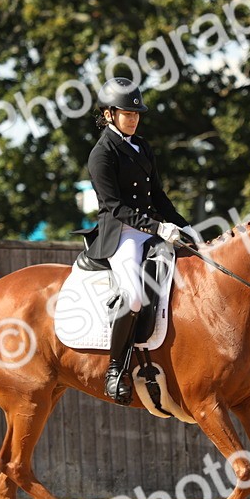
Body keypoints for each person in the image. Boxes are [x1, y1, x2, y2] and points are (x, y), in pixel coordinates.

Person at [84, 77, 195, 405]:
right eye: (126, 113)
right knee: (133, 296)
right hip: (122, 233)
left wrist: (185, 226)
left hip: (152, 227)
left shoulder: (142, 146)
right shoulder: (101, 154)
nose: (133, 119)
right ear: (108, 115)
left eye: (136, 114)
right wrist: (158, 229)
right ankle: (115, 370)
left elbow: (158, 195)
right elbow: (116, 207)